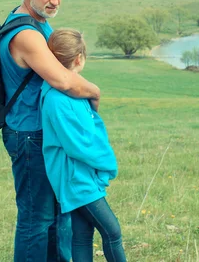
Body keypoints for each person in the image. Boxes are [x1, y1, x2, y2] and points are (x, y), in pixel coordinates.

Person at [0, 0, 101, 262]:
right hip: (29, 134)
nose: (54, 0)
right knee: (36, 219)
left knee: (58, 215)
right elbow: (62, 79)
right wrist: (95, 92)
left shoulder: (40, 23)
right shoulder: (26, 34)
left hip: (44, 132)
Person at [41, 29, 126, 262]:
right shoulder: (58, 99)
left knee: (82, 235)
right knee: (112, 231)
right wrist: (107, 163)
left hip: (80, 175)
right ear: (79, 59)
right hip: (75, 179)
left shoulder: (71, 91)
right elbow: (78, 145)